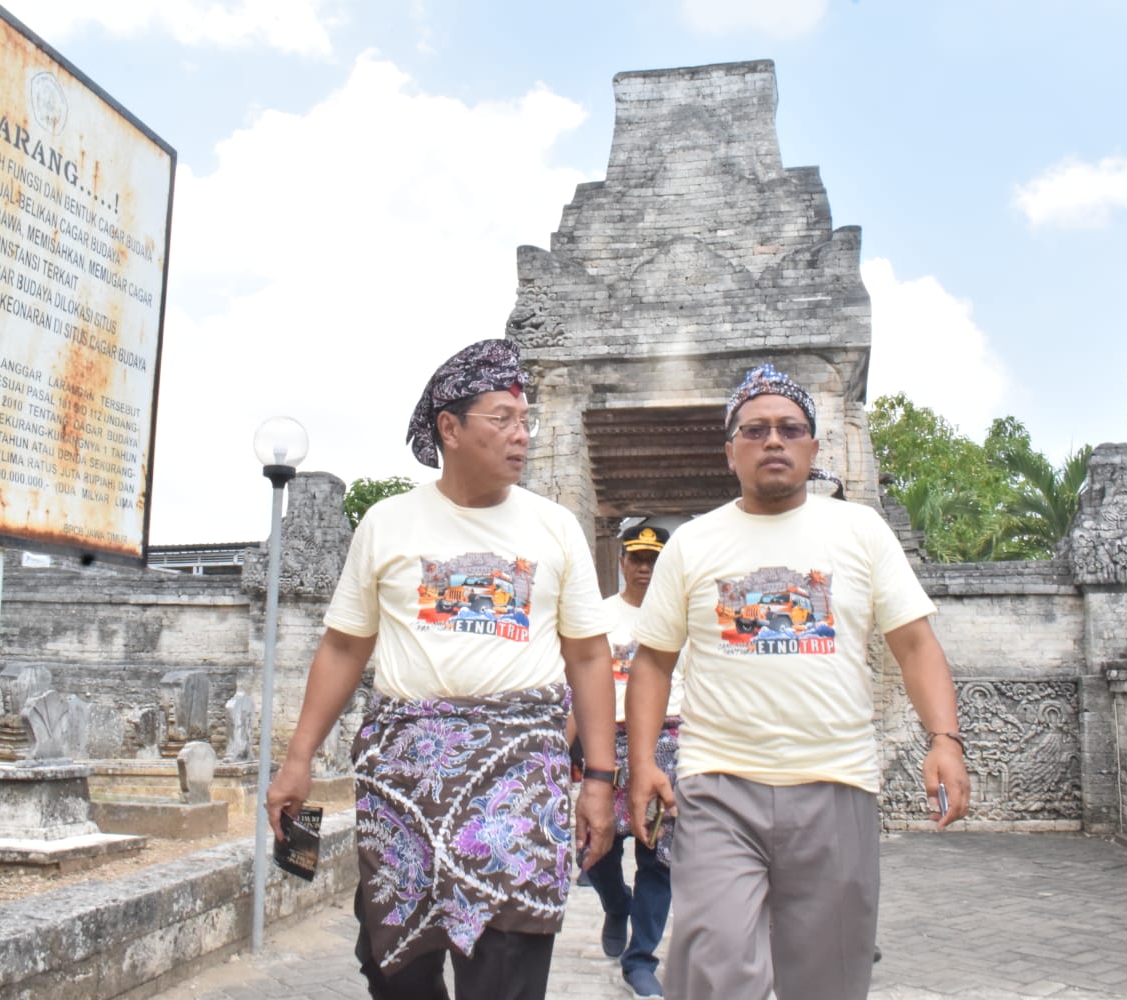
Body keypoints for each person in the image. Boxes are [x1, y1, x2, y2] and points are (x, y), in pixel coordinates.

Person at [265, 338, 617, 1000]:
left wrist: (599, 778)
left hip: (516, 777)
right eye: (503, 418)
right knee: (393, 962)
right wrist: (298, 758)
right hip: (403, 776)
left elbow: (589, 656)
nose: (522, 436)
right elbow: (345, 647)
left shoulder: (555, 528)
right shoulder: (388, 523)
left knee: (507, 959)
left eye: (525, 420)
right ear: (449, 428)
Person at [624, 365, 971, 1000]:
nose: (774, 440)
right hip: (717, 785)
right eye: (755, 430)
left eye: (790, 428)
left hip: (836, 782)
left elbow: (916, 644)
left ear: (813, 448)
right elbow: (653, 662)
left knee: (827, 979)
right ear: (731, 451)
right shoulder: (693, 544)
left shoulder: (860, 531)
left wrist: (944, 739)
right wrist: (643, 761)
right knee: (714, 966)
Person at [581, 522, 683, 1000]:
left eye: (654, 560)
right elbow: (576, 681)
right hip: (608, 739)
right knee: (594, 847)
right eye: (637, 559)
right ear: (622, 562)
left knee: (658, 858)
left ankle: (640, 959)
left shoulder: (686, 616)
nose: (645, 568)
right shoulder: (599, 616)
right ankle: (615, 902)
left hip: (671, 739)